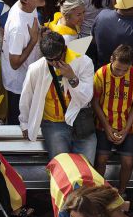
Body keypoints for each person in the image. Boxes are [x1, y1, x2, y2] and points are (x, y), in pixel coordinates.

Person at [19, 30, 96, 160]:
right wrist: (24, 123)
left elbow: (86, 98)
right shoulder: (36, 69)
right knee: (62, 168)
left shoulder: (84, 62)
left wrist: (72, 78)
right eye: (50, 60)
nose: (55, 63)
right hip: (53, 124)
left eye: (58, 58)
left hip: (80, 120)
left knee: (86, 170)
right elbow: (27, 97)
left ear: (65, 49)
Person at [92, 44, 133, 198]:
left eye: (125, 70)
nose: (121, 73)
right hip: (103, 124)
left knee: (128, 162)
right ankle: (98, 192)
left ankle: (121, 193)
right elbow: (95, 102)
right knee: (101, 159)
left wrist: (126, 129)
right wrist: (107, 127)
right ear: (111, 59)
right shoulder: (100, 74)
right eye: (117, 69)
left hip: (127, 126)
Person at [1, 0, 43, 124]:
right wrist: (33, 41)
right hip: (19, 85)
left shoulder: (27, 6)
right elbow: (14, 63)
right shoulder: (18, 27)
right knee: (18, 123)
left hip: (28, 78)